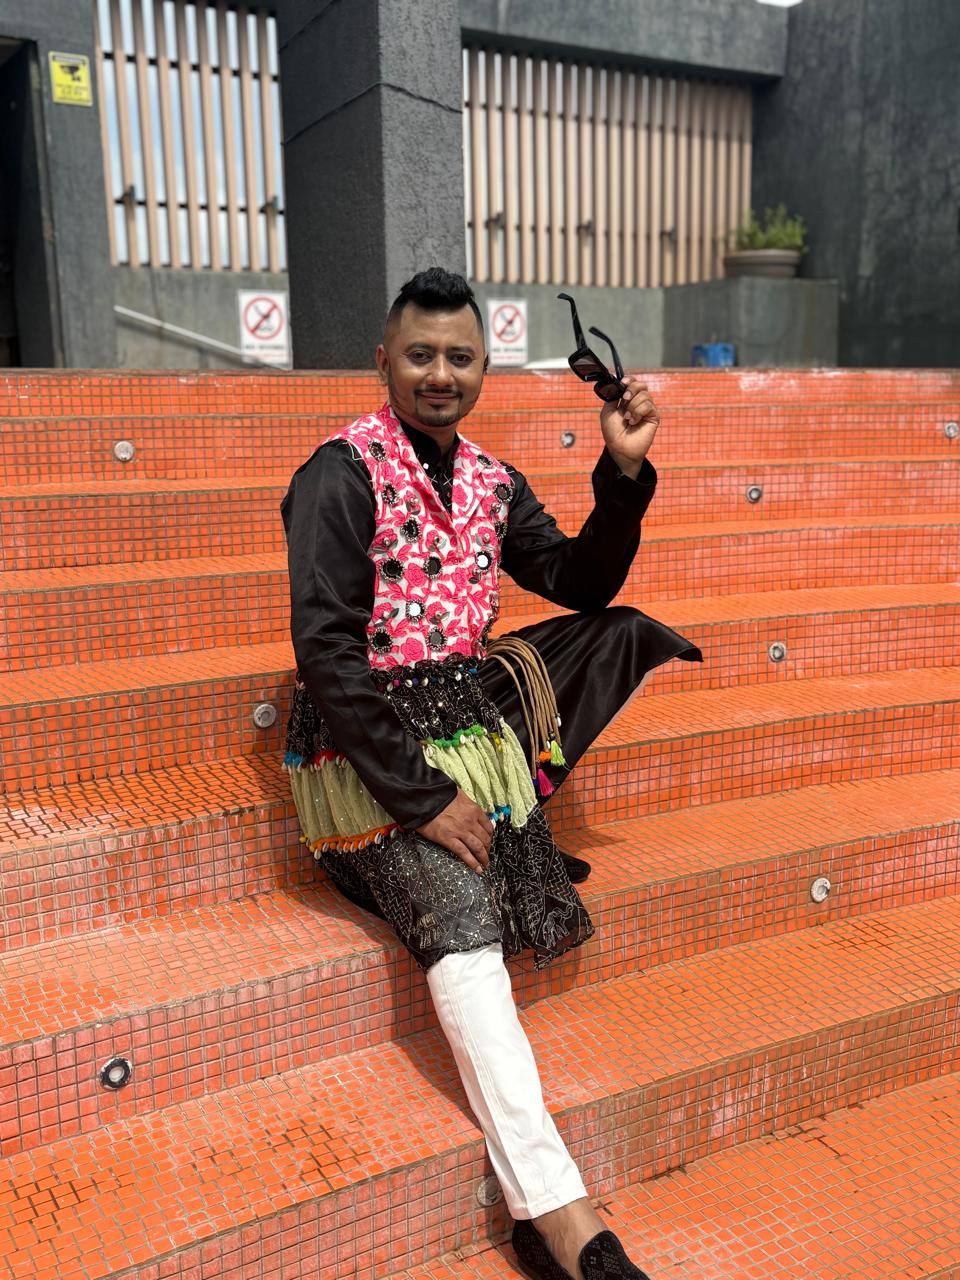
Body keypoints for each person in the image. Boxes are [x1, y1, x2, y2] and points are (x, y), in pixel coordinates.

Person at [281, 268, 701, 1280]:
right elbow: (327, 653)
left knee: (615, 630)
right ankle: (558, 1216)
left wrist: (623, 470)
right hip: (364, 752)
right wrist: (424, 799)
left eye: (459, 358)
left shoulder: (491, 480)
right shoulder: (341, 473)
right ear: (384, 361)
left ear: (483, 370)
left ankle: (508, 825)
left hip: (464, 716)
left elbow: (578, 580)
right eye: (420, 355)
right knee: (466, 924)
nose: (440, 374)